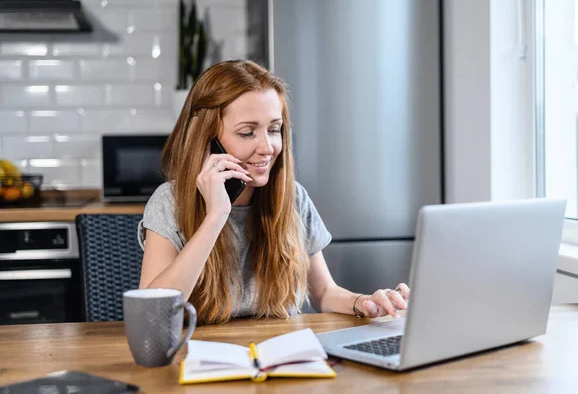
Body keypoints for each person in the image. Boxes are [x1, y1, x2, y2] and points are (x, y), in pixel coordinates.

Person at [137, 60, 410, 324]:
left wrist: (365, 302)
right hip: (200, 360)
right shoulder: (169, 202)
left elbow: (325, 293)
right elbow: (152, 315)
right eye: (247, 133)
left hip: (278, 355)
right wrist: (216, 216)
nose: (267, 147)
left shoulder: (293, 198)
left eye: (274, 129)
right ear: (208, 140)